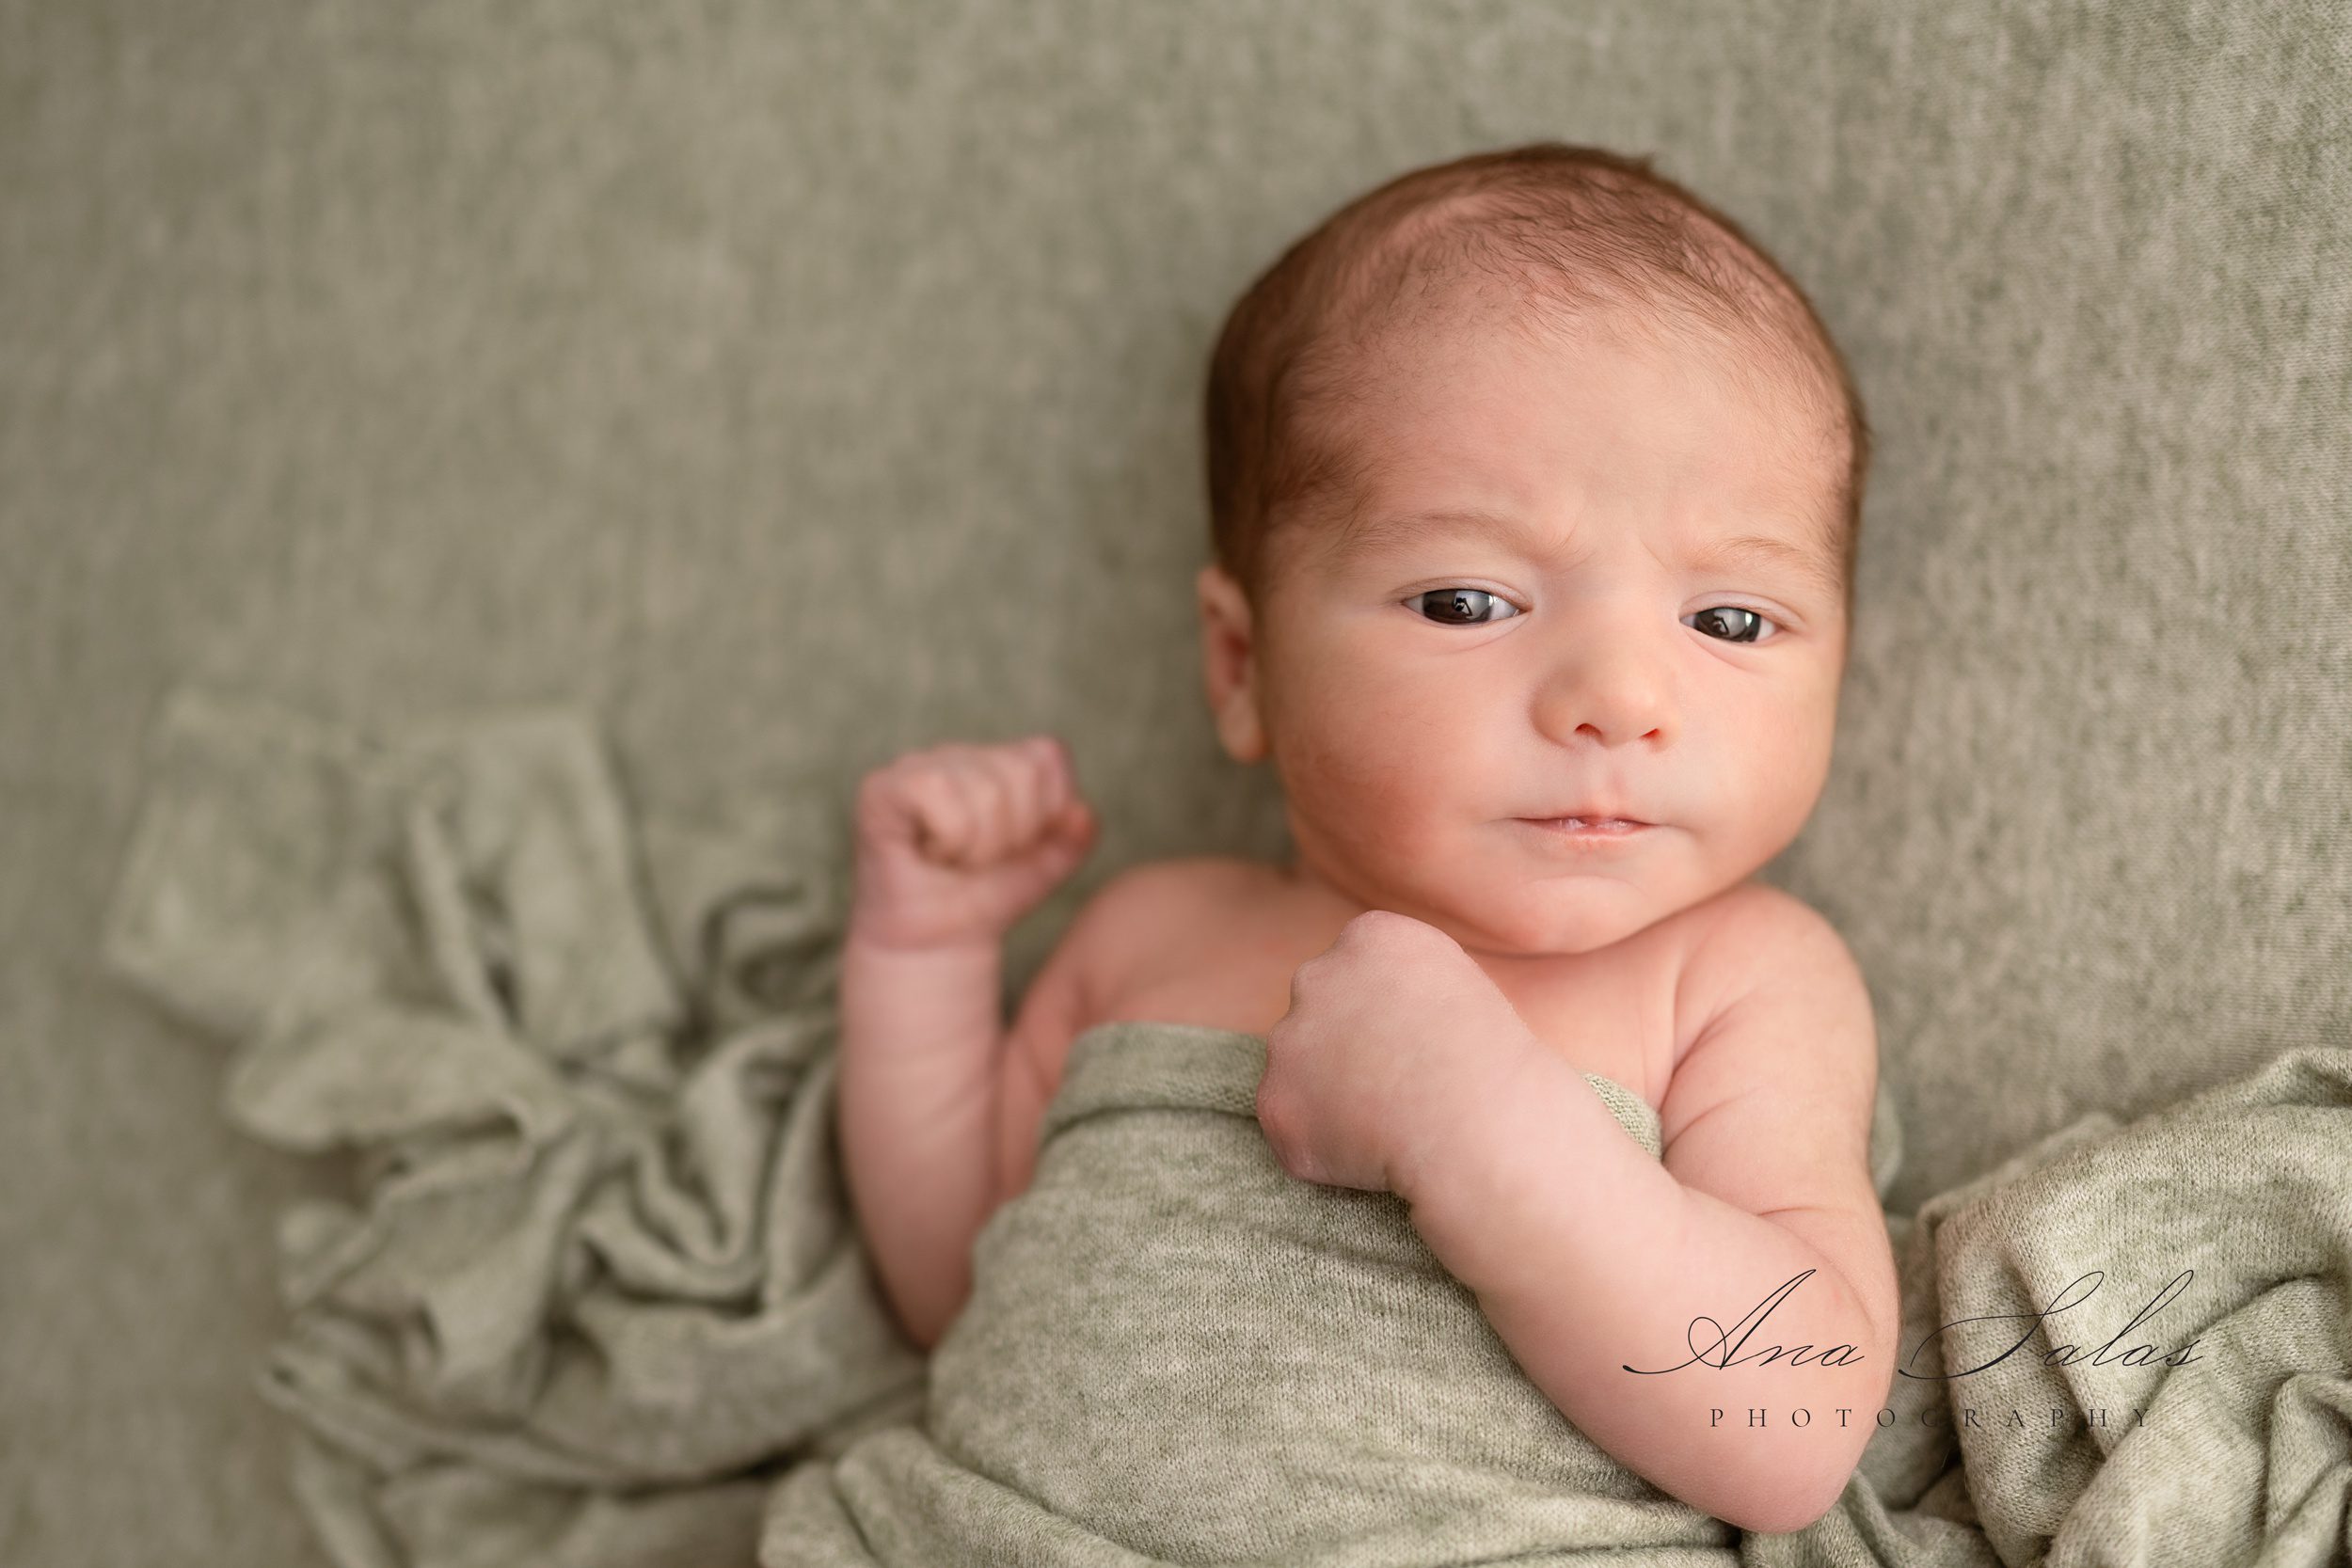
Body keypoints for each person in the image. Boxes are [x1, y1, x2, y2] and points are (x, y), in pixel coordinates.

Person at [836, 141, 1898, 1537]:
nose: (1621, 702)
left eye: (1730, 621)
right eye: (1468, 601)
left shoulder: (1739, 979)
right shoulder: (1153, 935)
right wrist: (921, 953)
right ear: (1241, 666)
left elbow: (1793, 1429)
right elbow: (953, 1294)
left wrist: (1488, 1135)